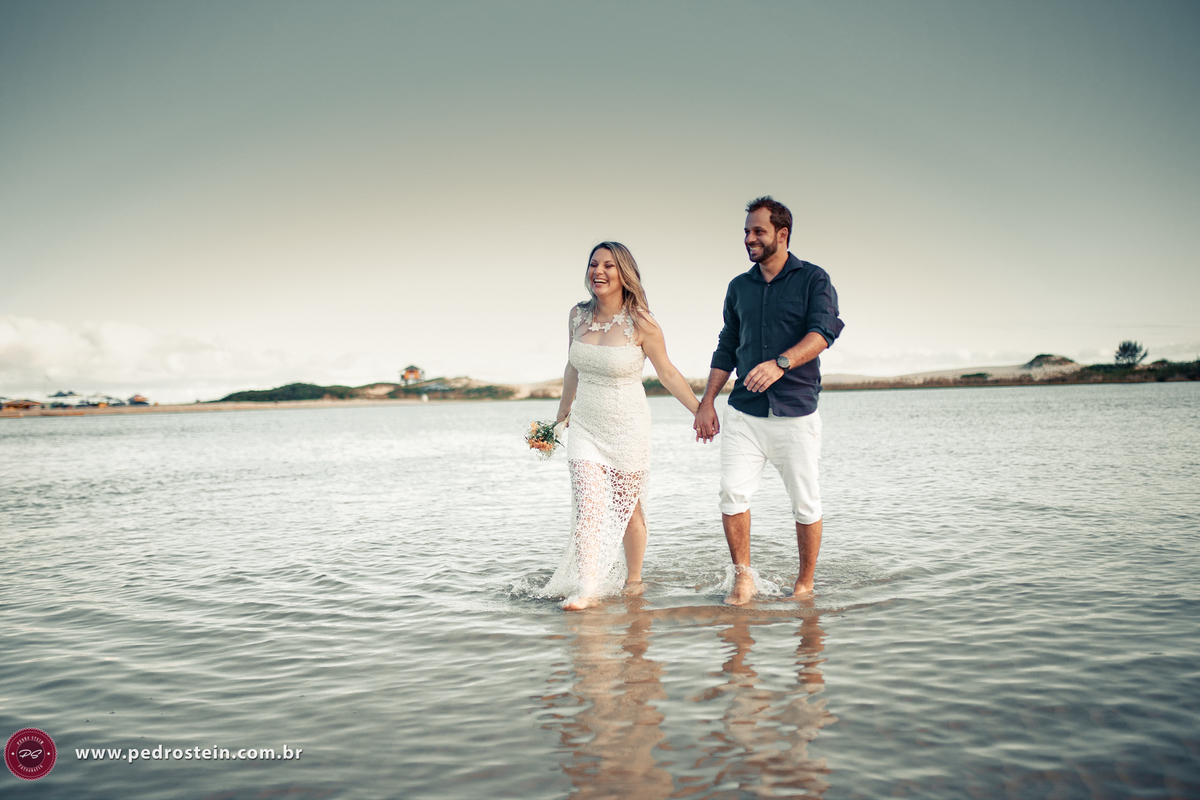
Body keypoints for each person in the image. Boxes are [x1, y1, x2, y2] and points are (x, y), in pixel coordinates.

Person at [694, 197, 844, 605]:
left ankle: (805, 585)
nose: (749, 238)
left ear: (783, 234)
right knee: (731, 494)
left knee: (806, 502)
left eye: (757, 231)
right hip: (745, 413)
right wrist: (707, 401)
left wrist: (781, 363)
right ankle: (743, 578)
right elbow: (727, 346)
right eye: (746, 231)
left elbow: (823, 333)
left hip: (797, 413)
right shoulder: (738, 287)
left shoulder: (813, 279)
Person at [544, 241, 700, 611]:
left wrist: (700, 409)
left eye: (609, 266)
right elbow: (572, 367)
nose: (598, 271)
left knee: (627, 507)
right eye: (593, 264)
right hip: (585, 425)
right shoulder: (577, 316)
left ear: (624, 273)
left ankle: (634, 579)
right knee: (589, 505)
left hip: (627, 426)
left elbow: (668, 373)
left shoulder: (643, 323)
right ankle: (587, 587)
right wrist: (561, 417)